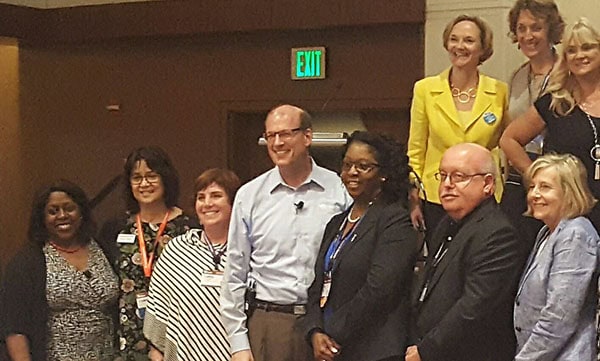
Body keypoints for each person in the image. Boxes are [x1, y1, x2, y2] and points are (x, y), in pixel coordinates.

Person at [220, 104, 352, 361]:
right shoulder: (250, 195)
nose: (277, 143)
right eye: (271, 136)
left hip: (326, 323)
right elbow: (235, 271)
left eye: (286, 134)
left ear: (307, 137)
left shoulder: (339, 190)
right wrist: (238, 343)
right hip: (270, 322)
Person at [406, 143, 530, 361]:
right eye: (443, 175)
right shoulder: (447, 223)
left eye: (459, 177)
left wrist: (426, 350)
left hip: (469, 352)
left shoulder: (498, 232)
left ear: (488, 184)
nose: (447, 185)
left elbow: (474, 307)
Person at [304, 131, 418, 361]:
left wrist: (333, 332)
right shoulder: (337, 223)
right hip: (332, 349)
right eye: (347, 165)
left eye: (363, 166)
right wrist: (315, 330)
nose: (352, 172)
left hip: (374, 349)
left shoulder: (395, 220)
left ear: (383, 174)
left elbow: (379, 289)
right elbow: (318, 283)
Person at [408, 14, 509, 247]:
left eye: (469, 41)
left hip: (484, 196)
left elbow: (504, 144)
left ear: (483, 48)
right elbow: (415, 149)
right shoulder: (425, 89)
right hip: (438, 196)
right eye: (454, 39)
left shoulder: (499, 91)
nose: (459, 47)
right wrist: (414, 199)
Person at [1, 180, 119, 361]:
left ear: (81, 212)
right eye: (53, 211)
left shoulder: (103, 249)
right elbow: (15, 328)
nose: (62, 215)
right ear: (42, 218)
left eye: (69, 208)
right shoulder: (27, 263)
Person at [500, 18, 600, 230]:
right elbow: (509, 140)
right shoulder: (555, 102)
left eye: (587, 47)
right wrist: (537, 178)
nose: (580, 55)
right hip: (569, 213)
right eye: (571, 50)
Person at [98, 146, 193, 361]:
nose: (144, 184)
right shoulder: (115, 228)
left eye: (151, 176)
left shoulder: (189, 228)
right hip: (127, 335)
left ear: (166, 179)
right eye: (137, 177)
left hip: (176, 333)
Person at [143, 168, 241, 361]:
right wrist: (157, 351)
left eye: (216, 196)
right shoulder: (177, 249)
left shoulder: (249, 251)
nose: (207, 204)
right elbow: (159, 305)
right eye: (201, 197)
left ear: (235, 202)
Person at [514, 153, 599, 361]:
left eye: (544, 187)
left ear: (569, 192)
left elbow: (560, 316)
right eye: (532, 186)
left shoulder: (575, 235)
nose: (534, 194)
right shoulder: (547, 231)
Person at [500, 0, 565, 246]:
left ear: (550, 30)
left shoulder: (568, 74)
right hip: (521, 176)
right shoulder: (517, 76)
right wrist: (529, 175)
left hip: (556, 177)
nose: (528, 35)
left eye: (536, 27)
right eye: (521, 28)